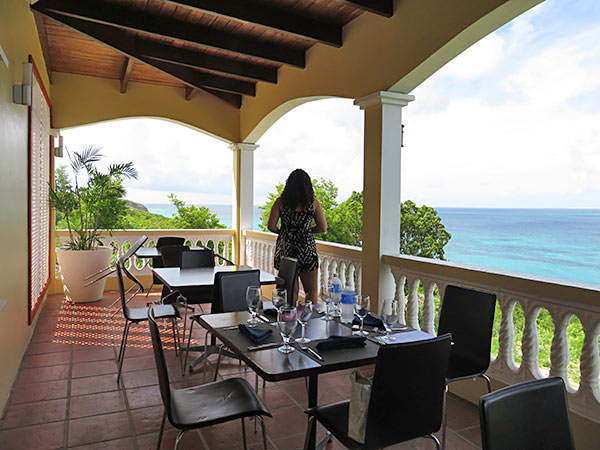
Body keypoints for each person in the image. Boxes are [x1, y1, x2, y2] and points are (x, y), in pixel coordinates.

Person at [268, 169, 327, 303]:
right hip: (307, 249)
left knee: (289, 290)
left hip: (286, 249)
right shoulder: (313, 203)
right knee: (311, 291)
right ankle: (309, 321)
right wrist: (306, 231)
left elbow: (271, 225)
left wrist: (284, 232)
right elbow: (322, 227)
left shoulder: (280, 202)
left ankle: (288, 319)